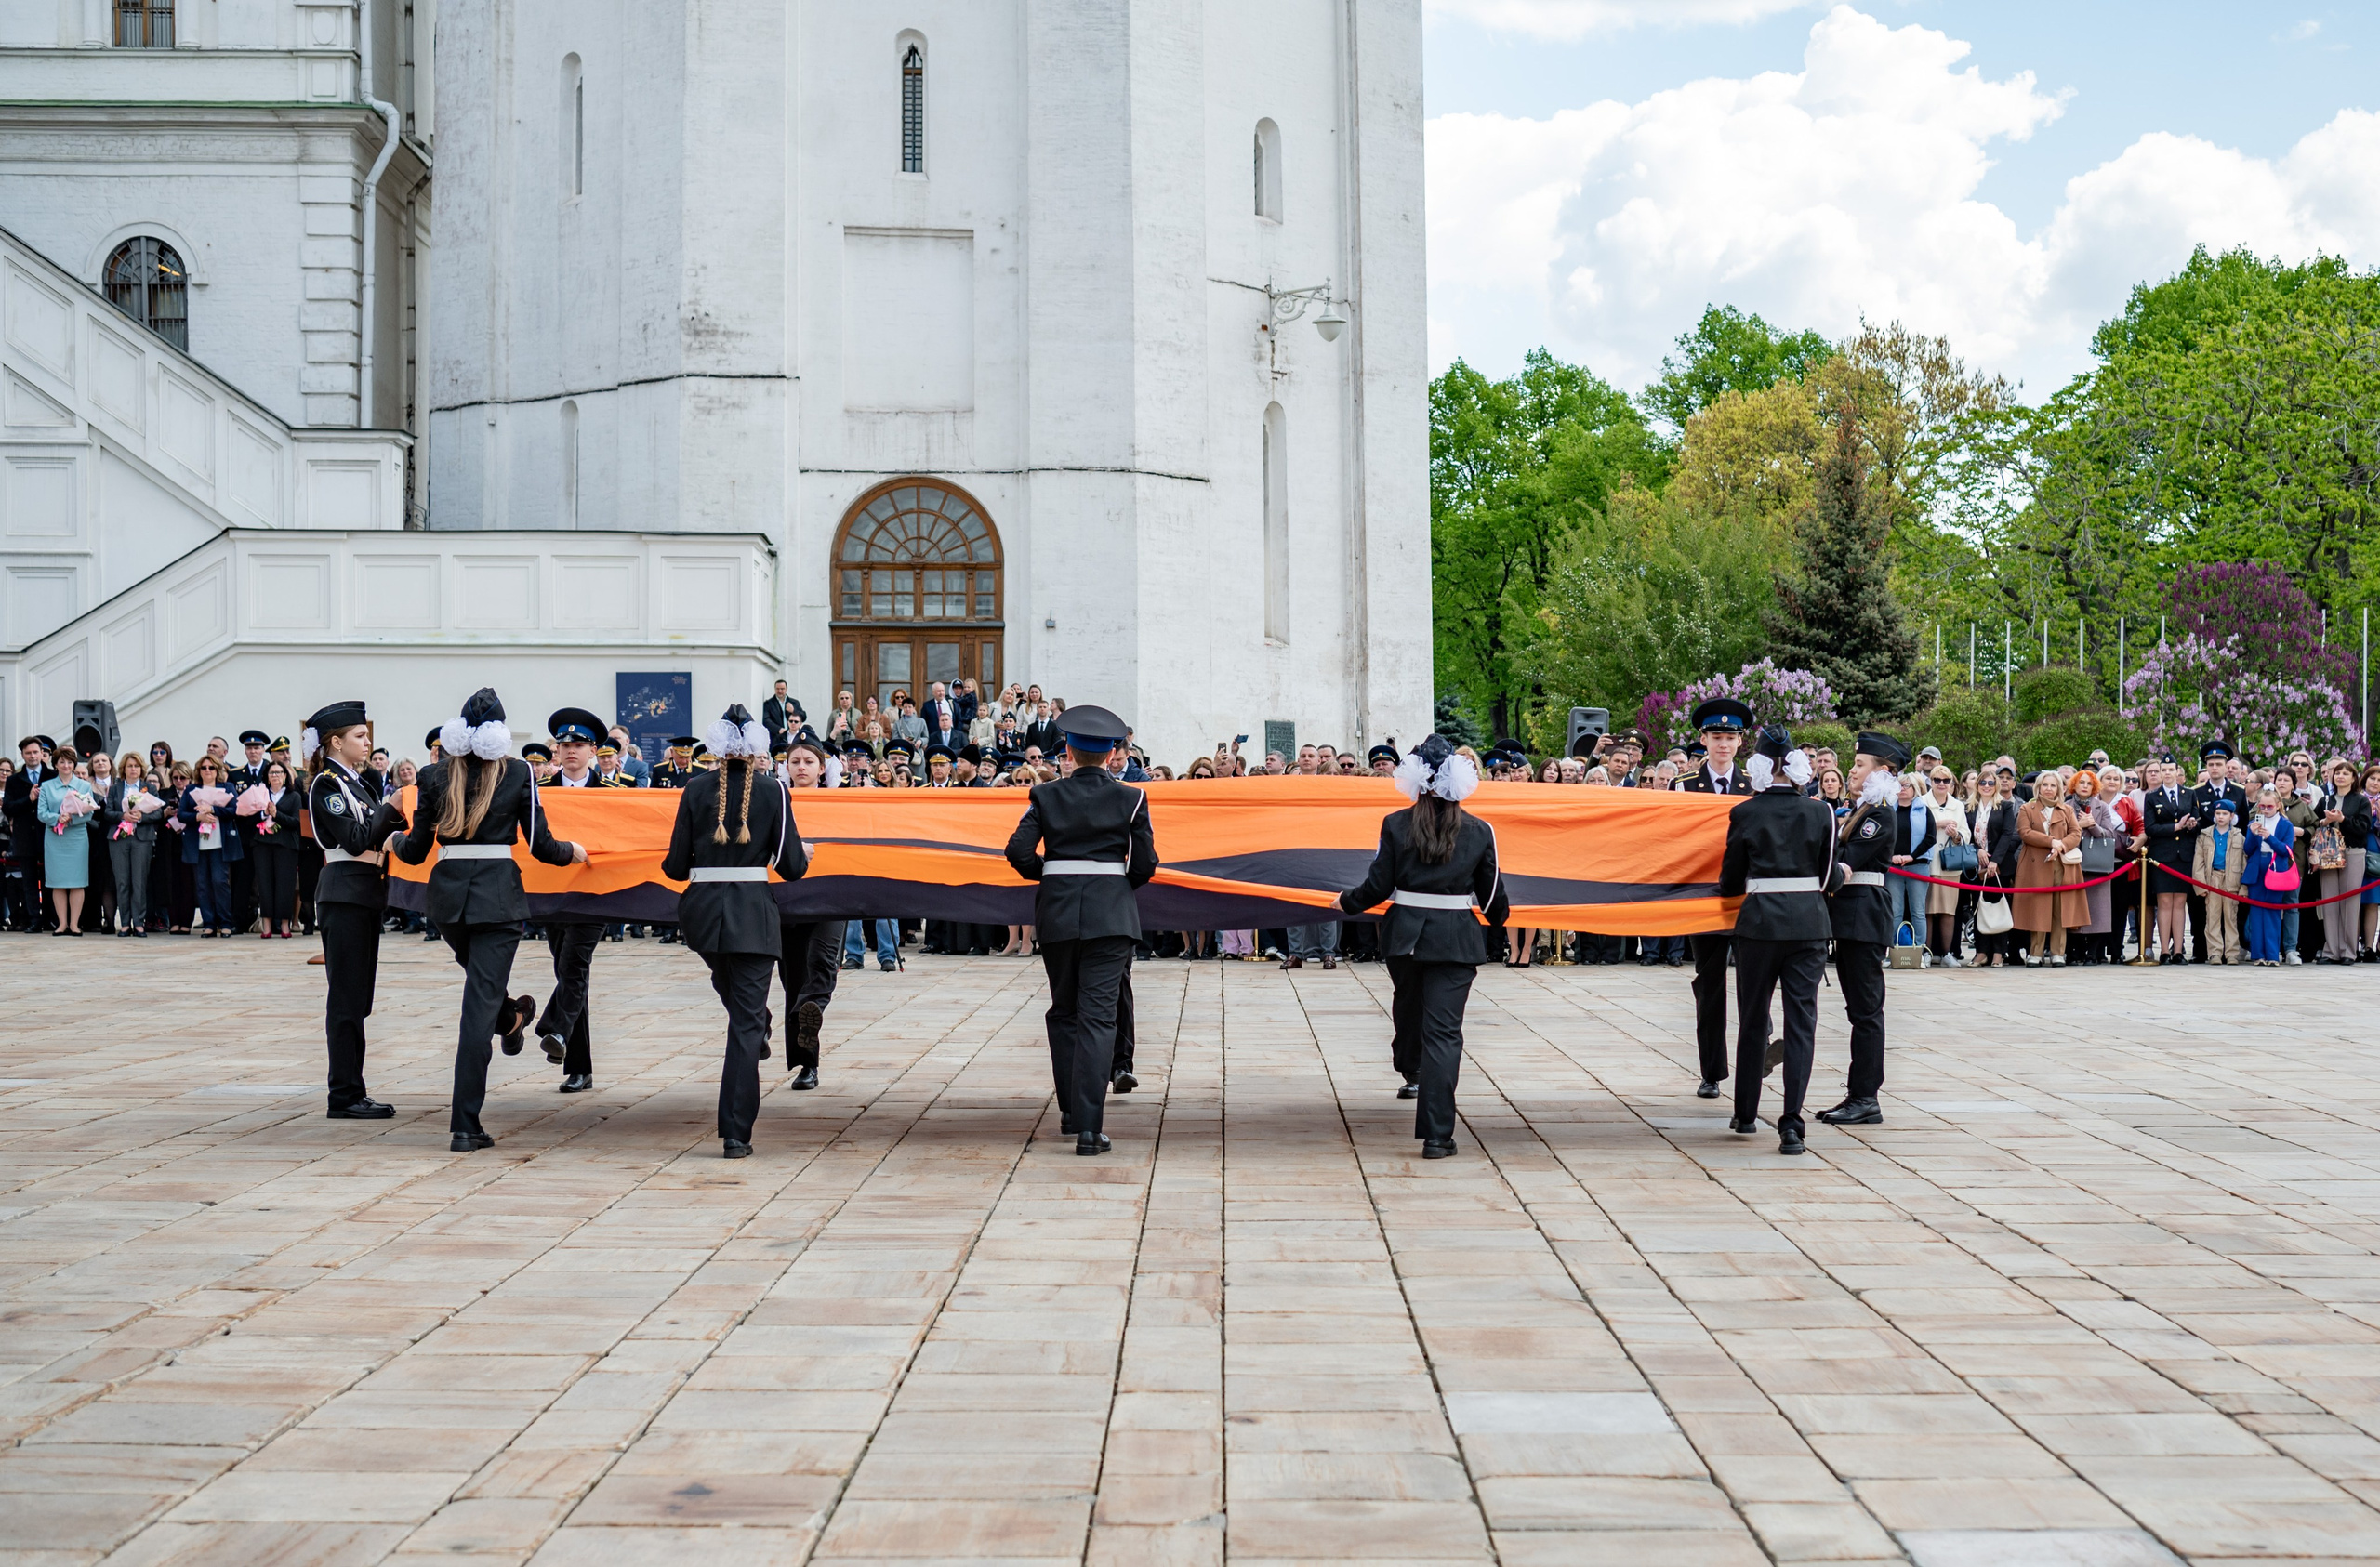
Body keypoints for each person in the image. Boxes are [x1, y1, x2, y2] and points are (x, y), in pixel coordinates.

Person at [390, 688, 585, 1152]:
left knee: (482, 989)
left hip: (450, 902)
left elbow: (416, 850)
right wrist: (571, 853)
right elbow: (540, 843)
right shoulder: (517, 772)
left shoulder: (435, 775)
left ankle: (513, 1017)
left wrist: (395, 841)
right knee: (476, 1012)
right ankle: (464, 1125)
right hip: (496, 901)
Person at [1334, 734, 1508, 1158]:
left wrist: (1346, 902)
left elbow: (1379, 885)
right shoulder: (1479, 830)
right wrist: (1500, 921)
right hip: (1456, 939)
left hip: (1405, 938)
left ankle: (1409, 1066)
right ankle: (1436, 1135)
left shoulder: (1396, 824)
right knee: (1444, 1035)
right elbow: (1490, 899)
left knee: (1410, 1010)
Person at [1003, 704, 1158, 1157]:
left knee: (1064, 1012)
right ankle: (1091, 1129)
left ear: (1068, 751)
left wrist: (1050, 873)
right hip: (1111, 917)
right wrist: (1116, 885)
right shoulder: (1132, 798)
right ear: (1113, 753)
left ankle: (1071, 1114)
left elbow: (1016, 850)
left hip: (1058, 912)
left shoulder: (1047, 795)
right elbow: (1146, 863)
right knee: (1099, 1018)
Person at [661, 704, 810, 1157]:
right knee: (746, 1022)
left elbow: (674, 866)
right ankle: (735, 1133)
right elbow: (792, 868)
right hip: (753, 916)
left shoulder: (693, 790)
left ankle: (756, 1032)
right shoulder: (775, 792)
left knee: (737, 1005)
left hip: (703, 915)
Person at [1717, 728, 1840, 1156]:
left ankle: (1746, 1113)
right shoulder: (1822, 812)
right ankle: (1791, 1124)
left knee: (1753, 1018)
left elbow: (1730, 879)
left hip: (1759, 925)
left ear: (1761, 768)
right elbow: (1828, 878)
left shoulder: (1744, 812)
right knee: (1801, 1023)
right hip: (1808, 925)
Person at [305, 701, 409, 1119]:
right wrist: (393, 806)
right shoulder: (327, 785)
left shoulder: (359, 784)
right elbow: (354, 838)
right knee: (346, 999)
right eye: (360, 736)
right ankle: (344, 1095)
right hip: (344, 893)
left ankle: (353, 1088)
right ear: (336, 742)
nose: (368, 743)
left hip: (365, 895)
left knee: (359, 999)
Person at [1813, 732, 1911, 1129]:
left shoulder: (1880, 813)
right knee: (1859, 1010)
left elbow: (1847, 863)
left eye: (1860, 765)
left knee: (1866, 1012)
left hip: (1863, 916)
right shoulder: (1864, 808)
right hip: (1850, 916)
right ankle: (1859, 1094)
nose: (1852, 771)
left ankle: (1866, 1096)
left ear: (1882, 771)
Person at [533, 707, 627, 1092]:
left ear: (593, 751)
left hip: (595, 892)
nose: (571, 751)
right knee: (569, 973)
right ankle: (579, 1067)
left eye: (579, 745)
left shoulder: (613, 795)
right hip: (554, 892)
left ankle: (553, 1028)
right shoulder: (541, 794)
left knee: (574, 963)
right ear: (557, 752)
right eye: (565, 744)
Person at [1679, 697, 1755, 1099]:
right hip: (1703, 897)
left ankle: (1756, 1053)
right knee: (1709, 986)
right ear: (1703, 740)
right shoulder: (1684, 787)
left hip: (1745, 897)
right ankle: (1712, 1071)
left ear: (1740, 743)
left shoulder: (1754, 788)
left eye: (1730, 737)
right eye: (1716, 737)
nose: (1723, 744)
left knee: (1752, 982)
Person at [774, 731, 846, 1090]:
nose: (801, 767)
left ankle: (811, 1009)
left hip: (832, 896)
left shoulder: (839, 802)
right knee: (793, 980)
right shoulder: (776, 802)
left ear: (822, 767)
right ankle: (807, 1065)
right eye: (795, 761)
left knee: (822, 962)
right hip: (788, 898)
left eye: (809, 761)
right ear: (786, 766)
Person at [2015, 768, 2086, 967]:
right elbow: (2025, 833)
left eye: (2052, 785)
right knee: (2039, 909)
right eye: (2045, 785)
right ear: (2038, 787)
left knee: (2059, 909)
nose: (2048, 789)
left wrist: (2061, 845)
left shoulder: (2067, 810)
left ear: (2058, 789)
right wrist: (2051, 842)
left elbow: (2075, 833)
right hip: (2036, 866)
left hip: (2061, 865)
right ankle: (2035, 953)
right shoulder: (2027, 809)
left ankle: (2058, 953)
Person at [34, 747, 99, 934]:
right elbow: (41, 813)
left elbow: (89, 813)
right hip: (55, 837)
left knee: (77, 881)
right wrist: (57, 818)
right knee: (57, 881)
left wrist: (71, 818)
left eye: (70, 762)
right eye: (62, 762)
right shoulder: (46, 786)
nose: (66, 765)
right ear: (55, 764)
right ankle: (62, 923)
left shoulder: (84, 786)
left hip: (77, 837)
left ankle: (74, 924)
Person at [179, 754, 242, 937]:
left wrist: (213, 809)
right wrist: (198, 816)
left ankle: (225, 923)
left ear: (217, 770)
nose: (208, 771)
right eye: (204, 768)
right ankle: (208, 923)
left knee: (220, 882)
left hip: (220, 843)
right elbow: (182, 814)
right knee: (202, 885)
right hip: (198, 843)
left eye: (211, 768)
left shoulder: (227, 787)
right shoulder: (191, 789)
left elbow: (234, 810)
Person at [2143, 757, 2200, 963]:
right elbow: (2150, 828)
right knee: (2165, 902)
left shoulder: (2189, 794)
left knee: (2180, 902)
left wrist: (2192, 824)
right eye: (2163, 770)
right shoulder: (2152, 797)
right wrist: (2175, 827)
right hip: (2162, 856)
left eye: (2170, 769)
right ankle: (2164, 950)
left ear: (2177, 772)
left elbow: (2196, 820)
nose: (2167, 773)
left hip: (2183, 855)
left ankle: (2178, 950)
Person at [105, 752, 167, 937]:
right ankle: (125, 923)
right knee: (122, 881)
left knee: (139, 881)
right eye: (130, 766)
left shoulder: (148, 788)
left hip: (142, 838)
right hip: (119, 838)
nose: (133, 769)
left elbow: (158, 813)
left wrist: (142, 817)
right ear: (124, 769)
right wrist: (122, 816)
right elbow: (107, 812)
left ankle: (139, 923)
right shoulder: (115, 789)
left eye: (137, 766)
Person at [2317, 758, 2371, 964]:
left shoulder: (2360, 800)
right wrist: (2325, 821)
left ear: (2353, 778)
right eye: (2337, 773)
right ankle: (2331, 950)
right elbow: (2315, 823)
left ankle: (2349, 951)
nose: (2340, 776)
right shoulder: (2326, 800)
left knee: (2350, 901)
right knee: (2329, 901)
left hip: (2353, 852)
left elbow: (2363, 827)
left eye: (2345, 773)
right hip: (2328, 853)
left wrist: (2342, 820)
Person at [249, 758, 305, 938]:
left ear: (285, 776)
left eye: (279, 773)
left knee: (285, 885)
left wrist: (276, 814)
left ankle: (284, 925)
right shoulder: (261, 794)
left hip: (286, 845)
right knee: (264, 884)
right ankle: (266, 925)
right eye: (272, 773)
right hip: (263, 844)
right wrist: (263, 813)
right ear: (267, 776)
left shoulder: (293, 796)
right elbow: (248, 818)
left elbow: (296, 822)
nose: (275, 776)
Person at [1920, 767, 1970, 965]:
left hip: (1949, 865)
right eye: (1937, 779)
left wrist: (1956, 835)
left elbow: (1966, 833)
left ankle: (1947, 953)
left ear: (1952, 783)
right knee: (1927, 910)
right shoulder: (1922, 802)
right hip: (1926, 864)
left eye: (1946, 780)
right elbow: (1916, 828)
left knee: (1949, 910)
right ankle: (1927, 951)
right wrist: (1939, 824)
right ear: (1931, 781)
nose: (1941, 784)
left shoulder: (1958, 806)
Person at [2243, 787, 2297, 967]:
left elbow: (2286, 850)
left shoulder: (2285, 825)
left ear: (2278, 806)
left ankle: (2273, 955)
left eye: (2269, 806)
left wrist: (2269, 837)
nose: (2265, 810)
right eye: (2262, 806)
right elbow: (2248, 850)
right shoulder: (2254, 822)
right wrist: (2252, 833)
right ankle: (2258, 954)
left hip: (2275, 869)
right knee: (2257, 912)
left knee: (2273, 912)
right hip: (2256, 868)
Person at [2193, 800, 2245, 965]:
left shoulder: (2239, 836)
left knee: (2231, 917)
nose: (2221, 817)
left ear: (2232, 816)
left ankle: (2231, 953)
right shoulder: (2205, 835)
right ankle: (2214, 952)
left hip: (2232, 879)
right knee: (2213, 917)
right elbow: (2199, 861)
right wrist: (2200, 884)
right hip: (2213, 878)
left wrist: (2244, 887)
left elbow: (2245, 862)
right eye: (2218, 814)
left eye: (2224, 814)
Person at [763, 679, 802, 753]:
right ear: (775, 689)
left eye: (782, 689)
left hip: (794, 736)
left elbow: (803, 716)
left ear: (786, 689)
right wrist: (779, 729)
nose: (780, 691)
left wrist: (793, 711)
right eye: (778, 689)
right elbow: (766, 721)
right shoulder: (768, 704)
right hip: (777, 738)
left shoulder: (794, 702)